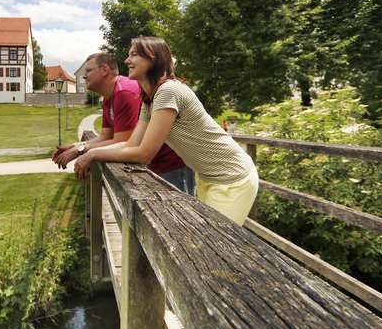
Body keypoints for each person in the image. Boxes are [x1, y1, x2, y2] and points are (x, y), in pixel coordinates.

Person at [74, 37, 258, 225]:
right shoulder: (150, 98)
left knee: (216, 245)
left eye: (134, 55)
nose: (126, 61)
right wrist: (91, 152)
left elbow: (144, 154)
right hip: (207, 178)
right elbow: (131, 144)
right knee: (204, 240)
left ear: (153, 59)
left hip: (232, 179)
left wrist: (93, 154)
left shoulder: (169, 91)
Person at [54, 52, 195, 195]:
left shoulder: (124, 92)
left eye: (89, 71)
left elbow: (123, 141)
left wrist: (84, 151)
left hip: (172, 165)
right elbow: (105, 137)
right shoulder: (109, 97)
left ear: (104, 70)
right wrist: (74, 147)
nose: (84, 76)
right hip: (154, 163)